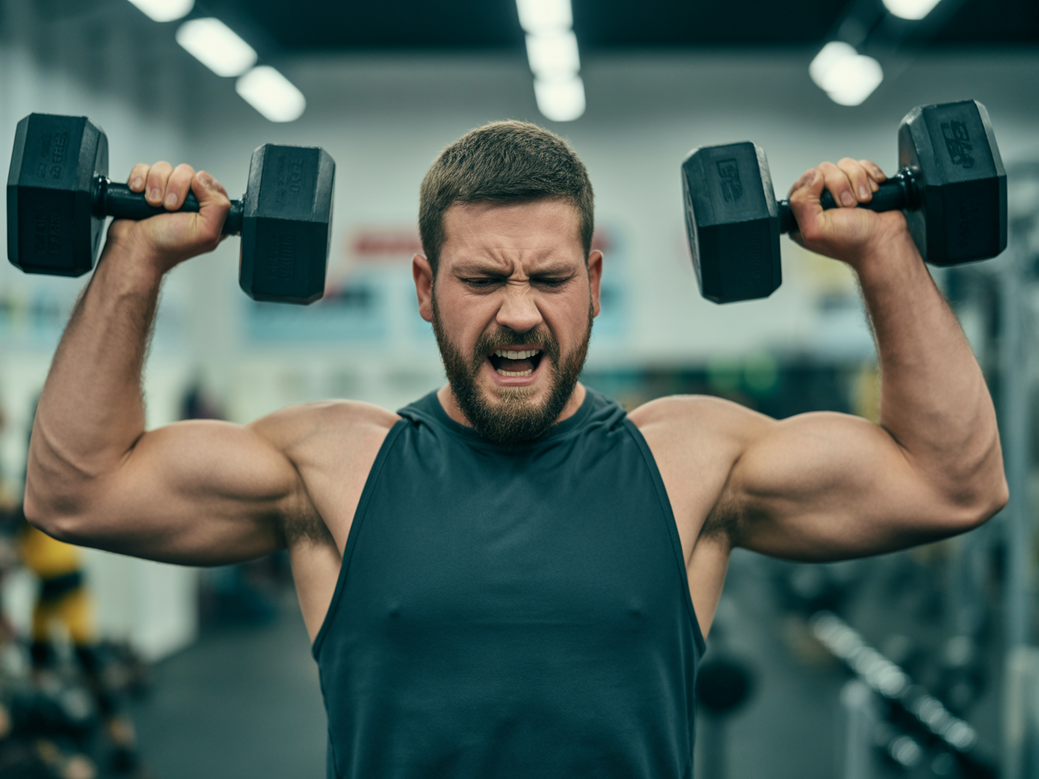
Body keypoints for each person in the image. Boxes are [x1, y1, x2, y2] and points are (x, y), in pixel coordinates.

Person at [23, 121, 1007, 778]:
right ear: (421, 286)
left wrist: (883, 252)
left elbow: (952, 481)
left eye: (547, 275)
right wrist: (135, 258)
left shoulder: (688, 460)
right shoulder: (337, 466)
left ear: (592, 277)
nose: (519, 310)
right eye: (482, 277)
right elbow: (77, 490)